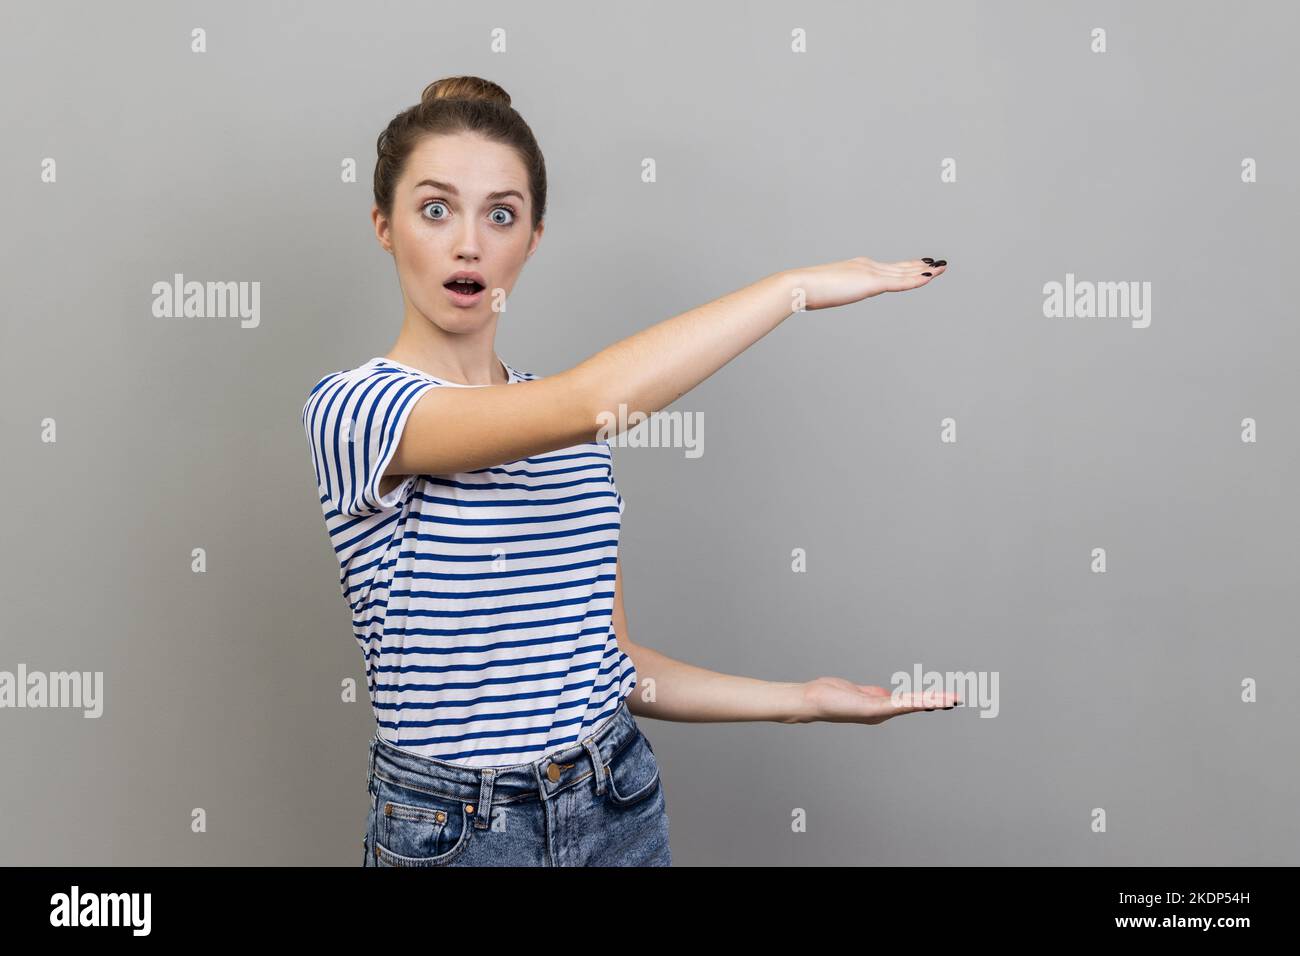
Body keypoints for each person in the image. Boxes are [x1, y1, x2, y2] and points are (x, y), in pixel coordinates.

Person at [301, 75, 956, 867]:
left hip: (617, 802)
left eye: (500, 214)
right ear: (383, 224)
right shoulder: (354, 412)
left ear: (533, 237)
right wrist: (793, 289)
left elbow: (614, 669)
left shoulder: (576, 435)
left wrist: (801, 703)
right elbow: (598, 396)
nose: (468, 243)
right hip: (457, 836)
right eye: (435, 208)